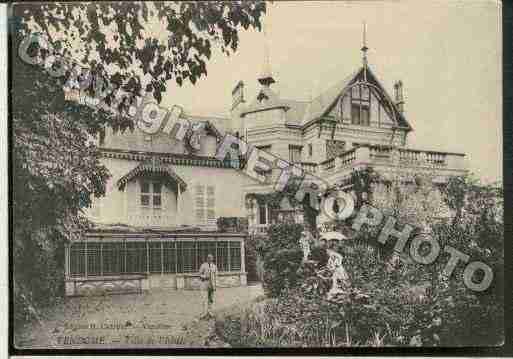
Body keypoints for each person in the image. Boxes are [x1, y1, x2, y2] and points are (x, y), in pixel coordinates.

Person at [198, 254, 217, 319]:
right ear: (207, 259)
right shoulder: (203, 265)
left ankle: (210, 312)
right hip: (205, 284)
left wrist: (215, 285)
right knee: (204, 299)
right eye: (209, 258)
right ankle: (204, 313)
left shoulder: (214, 266)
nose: (210, 259)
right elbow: (199, 274)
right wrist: (205, 276)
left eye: (211, 258)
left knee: (211, 299)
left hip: (212, 285)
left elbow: (216, 276)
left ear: (212, 259)